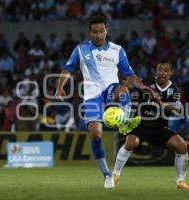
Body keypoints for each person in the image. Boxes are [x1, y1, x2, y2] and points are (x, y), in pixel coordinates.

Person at [55, 15, 158, 189]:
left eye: (101, 31)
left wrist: (144, 87)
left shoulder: (117, 50)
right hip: (92, 97)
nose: (98, 35)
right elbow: (67, 69)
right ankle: (107, 175)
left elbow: (129, 75)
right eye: (95, 31)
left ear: (106, 30)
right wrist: (59, 88)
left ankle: (125, 121)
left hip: (111, 90)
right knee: (95, 134)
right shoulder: (81, 50)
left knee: (123, 89)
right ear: (90, 32)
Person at [112, 62, 189, 191]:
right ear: (156, 71)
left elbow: (178, 109)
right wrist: (121, 81)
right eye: (159, 69)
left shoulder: (174, 90)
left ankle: (180, 181)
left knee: (181, 146)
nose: (162, 73)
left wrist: (163, 105)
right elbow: (127, 81)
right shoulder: (146, 84)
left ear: (171, 73)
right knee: (131, 142)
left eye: (166, 70)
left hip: (159, 127)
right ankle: (114, 176)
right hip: (141, 124)